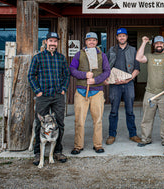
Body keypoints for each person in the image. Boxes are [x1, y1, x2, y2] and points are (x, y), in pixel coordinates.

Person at [28, 31, 70, 165]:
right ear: (46, 42)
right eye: (51, 41)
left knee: (59, 123)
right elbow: (31, 75)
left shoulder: (61, 58)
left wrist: (63, 89)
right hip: (43, 96)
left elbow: (66, 75)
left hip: (58, 96)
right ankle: (38, 153)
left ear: (57, 43)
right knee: (39, 123)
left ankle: (57, 151)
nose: (53, 43)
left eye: (55, 41)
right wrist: (37, 91)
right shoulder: (38, 58)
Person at [69, 32, 111, 154]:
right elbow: (72, 69)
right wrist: (84, 75)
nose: (91, 42)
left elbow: (107, 71)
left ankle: (98, 145)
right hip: (82, 91)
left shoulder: (102, 55)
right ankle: (78, 145)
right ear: (85, 42)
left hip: (97, 92)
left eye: (94, 40)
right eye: (89, 40)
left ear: (97, 42)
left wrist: (96, 80)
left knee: (97, 120)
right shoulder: (79, 54)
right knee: (79, 120)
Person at [136, 35, 164, 147]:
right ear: (154, 45)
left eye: (160, 43)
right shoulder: (149, 56)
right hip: (150, 92)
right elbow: (138, 58)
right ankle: (145, 139)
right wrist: (143, 42)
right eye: (156, 43)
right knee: (147, 118)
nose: (159, 45)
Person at [105, 28, 141, 145]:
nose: (121, 38)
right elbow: (105, 67)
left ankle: (133, 134)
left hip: (129, 83)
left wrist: (129, 79)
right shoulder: (111, 50)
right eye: (119, 36)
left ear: (126, 37)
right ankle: (111, 135)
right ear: (117, 37)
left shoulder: (133, 50)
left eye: (123, 36)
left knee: (130, 111)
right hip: (115, 84)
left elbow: (137, 68)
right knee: (114, 111)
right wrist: (109, 79)